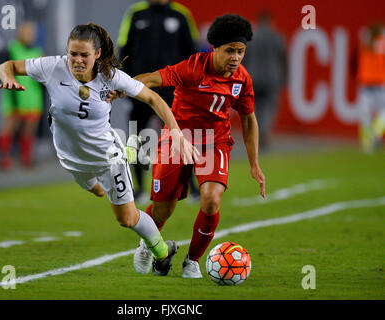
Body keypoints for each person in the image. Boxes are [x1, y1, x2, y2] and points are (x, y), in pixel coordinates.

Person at [0, 23, 199, 276]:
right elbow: (8, 65)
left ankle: (161, 253)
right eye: (73, 54)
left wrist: (177, 133)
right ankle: (104, 186)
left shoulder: (110, 76)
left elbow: (153, 98)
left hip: (107, 157)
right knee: (99, 192)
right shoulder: (52, 66)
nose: (77, 60)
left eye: (84, 55)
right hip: (71, 159)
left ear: (98, 54)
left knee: (126, 219)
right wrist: (8, 78)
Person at [113, 14, 266, 277]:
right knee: (163, 208)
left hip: (214, 142)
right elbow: (152, 78)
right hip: (177, 139)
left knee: (211, 200)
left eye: (240, 51)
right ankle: (147, 243)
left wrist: (255, 164)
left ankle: (192, 260)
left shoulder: (242, 79)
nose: (236, 57)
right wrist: (123, 86)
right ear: (215, 48)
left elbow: (248, 119)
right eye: (230, 50)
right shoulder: (193, 68)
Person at [117, 0, 200, 204]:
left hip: (173, 92)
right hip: (140, 89)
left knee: (181, 137)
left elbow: (192, 54)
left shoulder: (181, 15)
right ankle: (138, 189)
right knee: (138, 139)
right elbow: (123, 49)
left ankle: (191, 187)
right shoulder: (135, 14)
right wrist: (125, 84)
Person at [0, 21, 44, 169]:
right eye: (27, 32)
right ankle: (3, 158)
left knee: (29, 129)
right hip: (14, 96)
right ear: (20, 33)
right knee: (10, 127)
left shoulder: (38, 52)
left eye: (32, 33)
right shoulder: (12, 49)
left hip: (32, 97)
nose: (30, 36)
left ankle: (26, 159)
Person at [242, 11, 287, 151]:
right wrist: (284, 78)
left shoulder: (251, 38)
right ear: (270, 21)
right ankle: (264, 133)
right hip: (271, 78)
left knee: (254, 108)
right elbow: (284, 60)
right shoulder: (276, 37)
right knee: (269, 107)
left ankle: (256, 133)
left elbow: (244, 58)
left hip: (253, 77)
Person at [355, 22, 385, 153]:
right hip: (379, 84)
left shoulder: (364, 41)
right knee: (382, 113)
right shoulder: (380, 42)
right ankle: (376, 132)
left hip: (366, 85)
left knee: (365, 117)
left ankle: (367, 144)